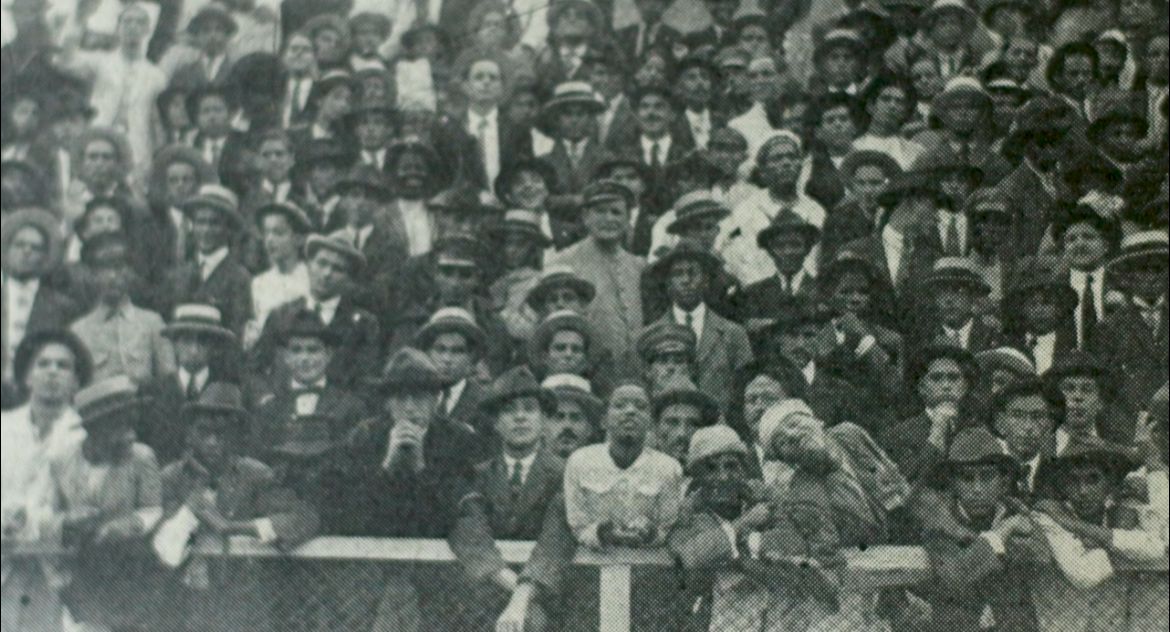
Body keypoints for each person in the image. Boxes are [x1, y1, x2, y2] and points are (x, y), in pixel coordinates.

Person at [324, 348, 477, 631]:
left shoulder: (457, 439)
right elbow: (350, 517)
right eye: (400, 397)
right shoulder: (365, 436)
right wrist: (387, 466)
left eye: (419, 397)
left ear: (435, 400)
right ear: (387, 403)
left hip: (439, 573)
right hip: (372, 572)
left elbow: (451, 519)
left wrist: (420, 466)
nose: (409, 407)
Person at [155, 382, 319, 632]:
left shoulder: (254, 475)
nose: (212, 442)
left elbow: (303, 518)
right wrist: (189, 512)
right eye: (204, 432)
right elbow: (163, 551)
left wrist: (234, 527)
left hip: (242, 610)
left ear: (236, 436)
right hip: (182, 610)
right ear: (190, 434)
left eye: (221, 433)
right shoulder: (172, 478)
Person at [448, 366, 565, 631]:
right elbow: (467, 530)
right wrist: (515, 590)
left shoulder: (565, 473)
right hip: (484, 605)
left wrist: (523, 598)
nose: (520, 417)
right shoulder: (476, 475)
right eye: (510, 410)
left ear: (545, 420)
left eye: (529, 408)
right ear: (496, 423)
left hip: (550, 605)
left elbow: (556, 538)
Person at [902, 427, 1045, 632]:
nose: (977, 488)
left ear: (1003, 483)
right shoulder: (938, 524)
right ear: (953, 484)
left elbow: (1041, 556)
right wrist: (1001, 534)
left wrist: (982, 548)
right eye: (967, 478)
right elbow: (955, 577)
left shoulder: (1016, 512)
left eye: (986, 477)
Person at [52, 375, 164, 632]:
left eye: (130, 425)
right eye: (119, 427)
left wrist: (130, 524)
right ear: (95, 429)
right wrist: (69, 520)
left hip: (128, 572)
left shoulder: (141, 458)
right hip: (80, 572)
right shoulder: (64, 462)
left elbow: (153, 509)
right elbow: (51, 513)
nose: (129, 435)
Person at [0, 330, 91, 631]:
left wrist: (34, 522)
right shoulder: (4, 429)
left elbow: (86, 507)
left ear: (77, 382)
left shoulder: (86, 436)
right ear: (27, 377)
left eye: (63, 366)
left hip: (59, 575)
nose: (52, 372)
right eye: (43, 364)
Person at [1028, 438, 1165, 632]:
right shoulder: (1049, 516)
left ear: (1110, 485)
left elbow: (1160, 545)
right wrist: (1122, 545)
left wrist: (1077, 526)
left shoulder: (1121, 514)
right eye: (1074, 481)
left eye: (1092, 480)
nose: (1083, 491)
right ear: (1064, 486)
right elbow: (1084, 574)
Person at [250, 233, 381, 390]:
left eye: (337, 269)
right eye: (321, 263)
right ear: (309, 265)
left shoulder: (363, 325)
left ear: (349, 279)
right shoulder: (281, 315)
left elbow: (367, 380)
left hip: (337, 411)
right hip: (283, 408)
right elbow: (253, 369)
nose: (326, 274)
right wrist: (266, 399)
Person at [564, 382, 684, 550]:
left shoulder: (668, 468)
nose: (630, 411)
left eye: (641, 407)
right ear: (604, 421)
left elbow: (668, 531)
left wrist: (650, 533)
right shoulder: (580, 462)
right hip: (592, 562)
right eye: (619, 405)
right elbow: (577, 527)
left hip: (648, 566)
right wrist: (601, 533)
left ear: (650, 422)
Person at [548, 180, 645, 376]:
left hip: (635, 372)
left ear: (628, 220)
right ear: (585, 217)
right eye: (600, 211)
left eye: (616, 212)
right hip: (587, 371)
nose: (608, 218)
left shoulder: (639, 266)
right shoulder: (565, 261)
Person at [646, 241, 753, 415]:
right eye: (677, 274)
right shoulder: (652, 336)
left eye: (693, 273)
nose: (686, 280)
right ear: (667, 283)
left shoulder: (733, 334)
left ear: (706, 280)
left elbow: (746, 390)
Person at [250, 309, 367, 456]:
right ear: (286, 356)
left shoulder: (350, 407)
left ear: (328, 355)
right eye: (296, 350)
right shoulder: (269, 411)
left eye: (313, 350)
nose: (304, 358)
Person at [70, 231, 175, 384]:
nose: (113, 276)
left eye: (119, 268)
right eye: (104, 269)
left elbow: (169, 379)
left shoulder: (151, 323)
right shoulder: (79, 331)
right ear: (91, 275)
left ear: (131, 272)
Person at [141, 304, 239, 465]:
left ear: (214, 348)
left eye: (202, 342)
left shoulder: (229, 391)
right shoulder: (152, 391)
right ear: (174, 343)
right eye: (186, 341)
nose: (193, 350)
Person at [1090, 231, 1169, 416]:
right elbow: (1104, 393)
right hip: (1129, 432)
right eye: (1142, 269)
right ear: (1127, 276)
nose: (1151, 277)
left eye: (1158, 269)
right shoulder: (1108, 329)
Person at [2, 208, 80, 384]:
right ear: (7, 249)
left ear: (45, 256)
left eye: (35, 248)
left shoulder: (62, 307)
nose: (26, 251)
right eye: (19, 244)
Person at [166, 183, 253, 337]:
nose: (206, 231)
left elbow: (237, 334)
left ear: (228, 229)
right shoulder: (179, 274)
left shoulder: (239, 278)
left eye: (214, 223)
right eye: (200, 222)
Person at [882, 345, 979, 483]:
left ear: (964, 386)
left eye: (953, 378)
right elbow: (906, 485)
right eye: (936, 378)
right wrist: (936, 434)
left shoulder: (976, 429)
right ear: (922, 388)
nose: (946, 385)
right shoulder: (900, 434)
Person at [914, 257, 1003, 355]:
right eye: (941, 292)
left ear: (972, 295)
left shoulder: (992, 337)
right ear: (934, 298)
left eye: (958, 290)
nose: (949, 299)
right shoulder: (923, 340)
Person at [651, 374, 720, 463]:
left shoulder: (718, 475)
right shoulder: (638, 474)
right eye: (673, 423)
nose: (682, 434)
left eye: (693, 424)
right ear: (656, 428)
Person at [541, 373, 606, 459]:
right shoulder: (524, 470)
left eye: (576, 418)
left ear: (589, 429)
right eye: (559, 417)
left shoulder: (601, 470)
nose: (567, 425)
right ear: (541, 425)